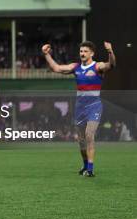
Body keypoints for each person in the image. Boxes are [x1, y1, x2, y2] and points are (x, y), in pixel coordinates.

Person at [42, 41, 115, 177]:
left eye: (85, 51)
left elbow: (111, 65)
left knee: (89, 135)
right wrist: (46, 55)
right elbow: (57, 68)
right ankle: (85, 165)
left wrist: (110, 52)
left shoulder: (97, 66)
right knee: (81, 140)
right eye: (81, 51)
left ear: (92, 53)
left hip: (94, 106)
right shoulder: (76, 67)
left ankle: (91, 169)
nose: (82, 53)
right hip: (79, 108)